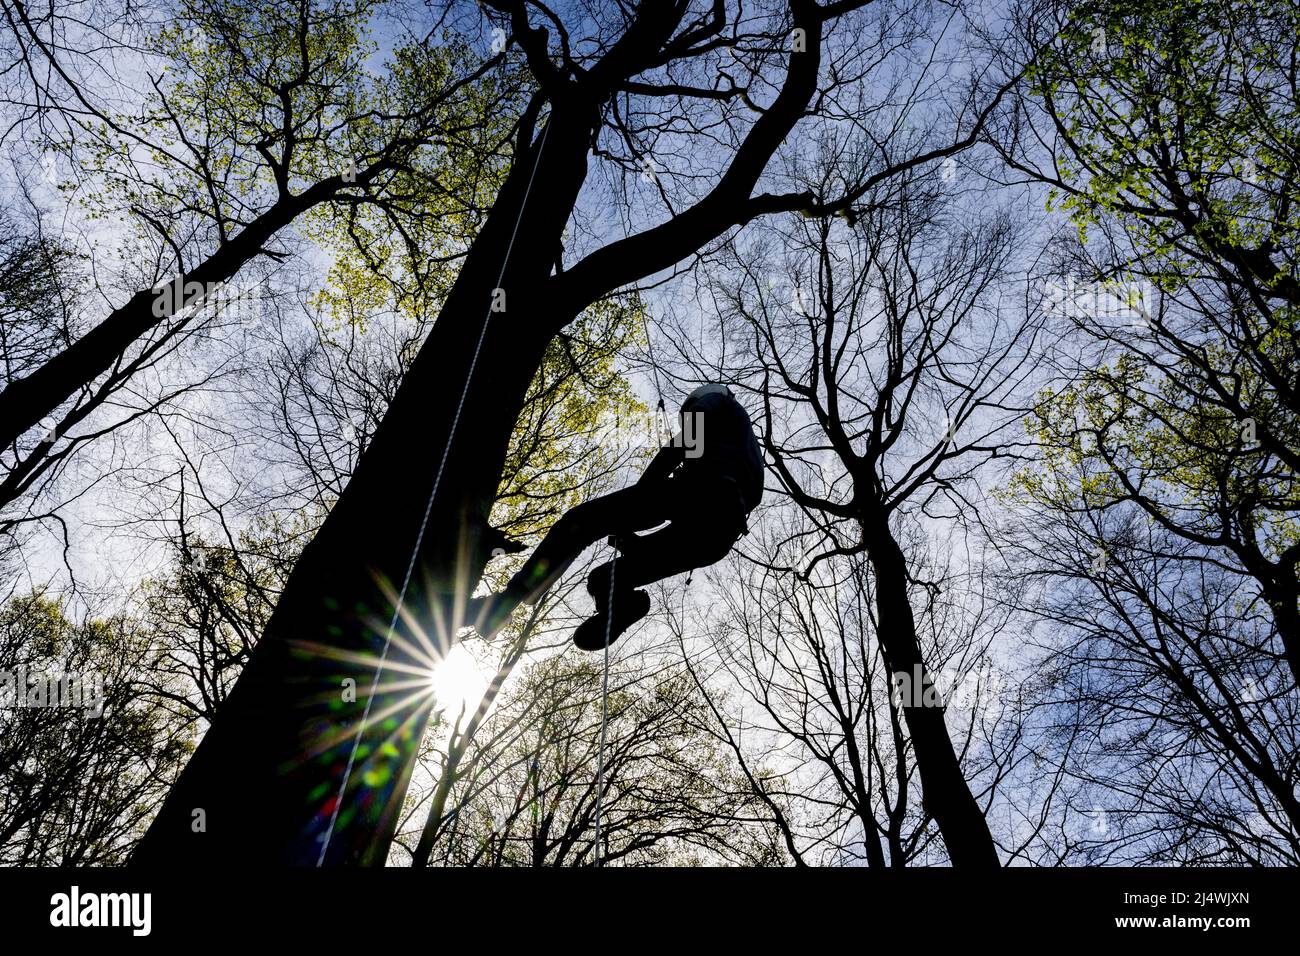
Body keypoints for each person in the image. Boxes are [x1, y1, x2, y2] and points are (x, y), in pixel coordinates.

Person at [472, 383, 764, 649]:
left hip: (701, 495)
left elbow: (690, 435)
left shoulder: (720, 402)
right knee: (603, 580)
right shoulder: (747, 454)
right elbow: (703, 522)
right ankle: (625, 605)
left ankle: (509, 599)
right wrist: (635, 542)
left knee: (580, 523)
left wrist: (645, 492)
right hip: (716, 537)